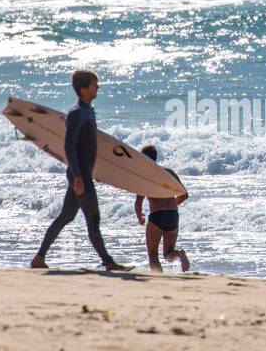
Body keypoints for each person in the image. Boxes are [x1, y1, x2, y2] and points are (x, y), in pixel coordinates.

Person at [31, 69, 131, 271]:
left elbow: (90, 147)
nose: (98, 87)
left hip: (83, 173)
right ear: (84, 88)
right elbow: (69, 146)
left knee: (66, 216)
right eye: (94, 84)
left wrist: (99, 171)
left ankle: (39, 258)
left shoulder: (88, 111)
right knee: (93, 218)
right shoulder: (77, 113)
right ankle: (109, 262)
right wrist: (78, 176)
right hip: (79, 175)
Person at [134, 144, 190, 273]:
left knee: (153, 255)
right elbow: (184, 195)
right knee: (168, 253)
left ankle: (159, 280)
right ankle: (180, 254)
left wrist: (139, 216)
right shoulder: (169, 173)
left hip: (157, 216)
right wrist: (171, 206)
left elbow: (138, 202)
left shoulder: (144, 178)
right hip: (173, 215)